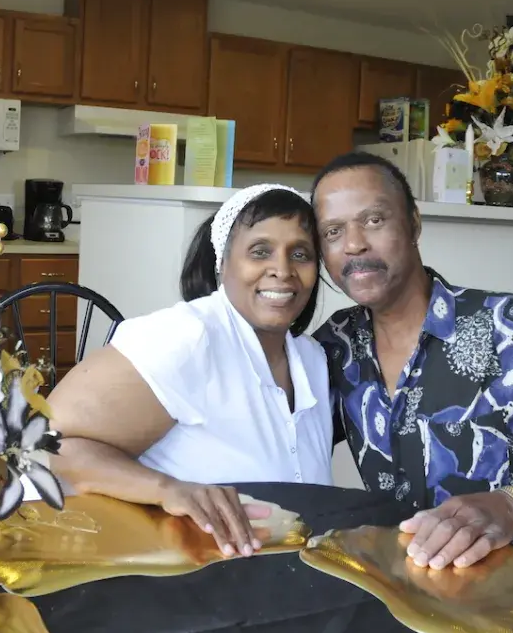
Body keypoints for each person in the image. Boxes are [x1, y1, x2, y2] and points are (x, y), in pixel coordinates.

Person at [311, 152, 513, 583]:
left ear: (413, 224)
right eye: (333, 232)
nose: (353, 244)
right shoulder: (339, 344)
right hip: (412, 585)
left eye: (373, 220)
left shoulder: (512, 329)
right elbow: (275, 434)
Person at [49, 184, 334, 558]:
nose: (282, 270)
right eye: (259, 251)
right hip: (184, 588)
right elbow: (46, 445)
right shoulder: (188, 338)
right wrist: (167, 489)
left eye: (300, 254)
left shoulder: (311, 359)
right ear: (223, 263)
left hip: (284, 584)